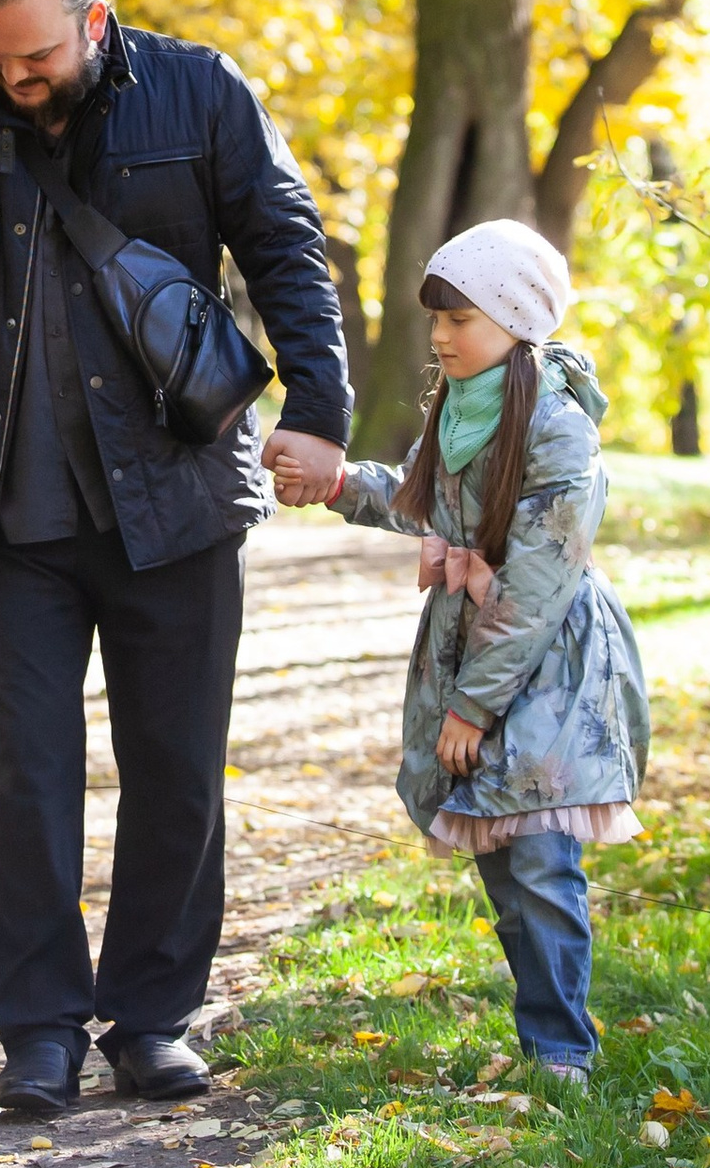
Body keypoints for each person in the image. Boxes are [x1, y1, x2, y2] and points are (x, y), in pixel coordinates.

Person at [0, 0, 352, 1117]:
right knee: (28, 775)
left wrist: (318, 405)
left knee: (173, 768)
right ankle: (42, 1028)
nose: (14, 83)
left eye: (38, 60)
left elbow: (286, 247)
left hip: (176, 502)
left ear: (94, 20)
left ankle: (154, 1017)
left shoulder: (201, 94)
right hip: (9, 521)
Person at [275, 218, 648, 1082]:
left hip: (547, 663)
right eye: (435, 319)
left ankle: (563, 1054)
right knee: (501, 855)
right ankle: (543, 1039)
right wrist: (336, 483)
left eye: (459, 319)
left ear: (517, 320)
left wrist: (474, 704)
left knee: (543, 854)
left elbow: (537, 585)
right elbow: (425, 506)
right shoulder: (463, 403)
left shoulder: (558, 429)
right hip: (474, 649)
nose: (439, 336)